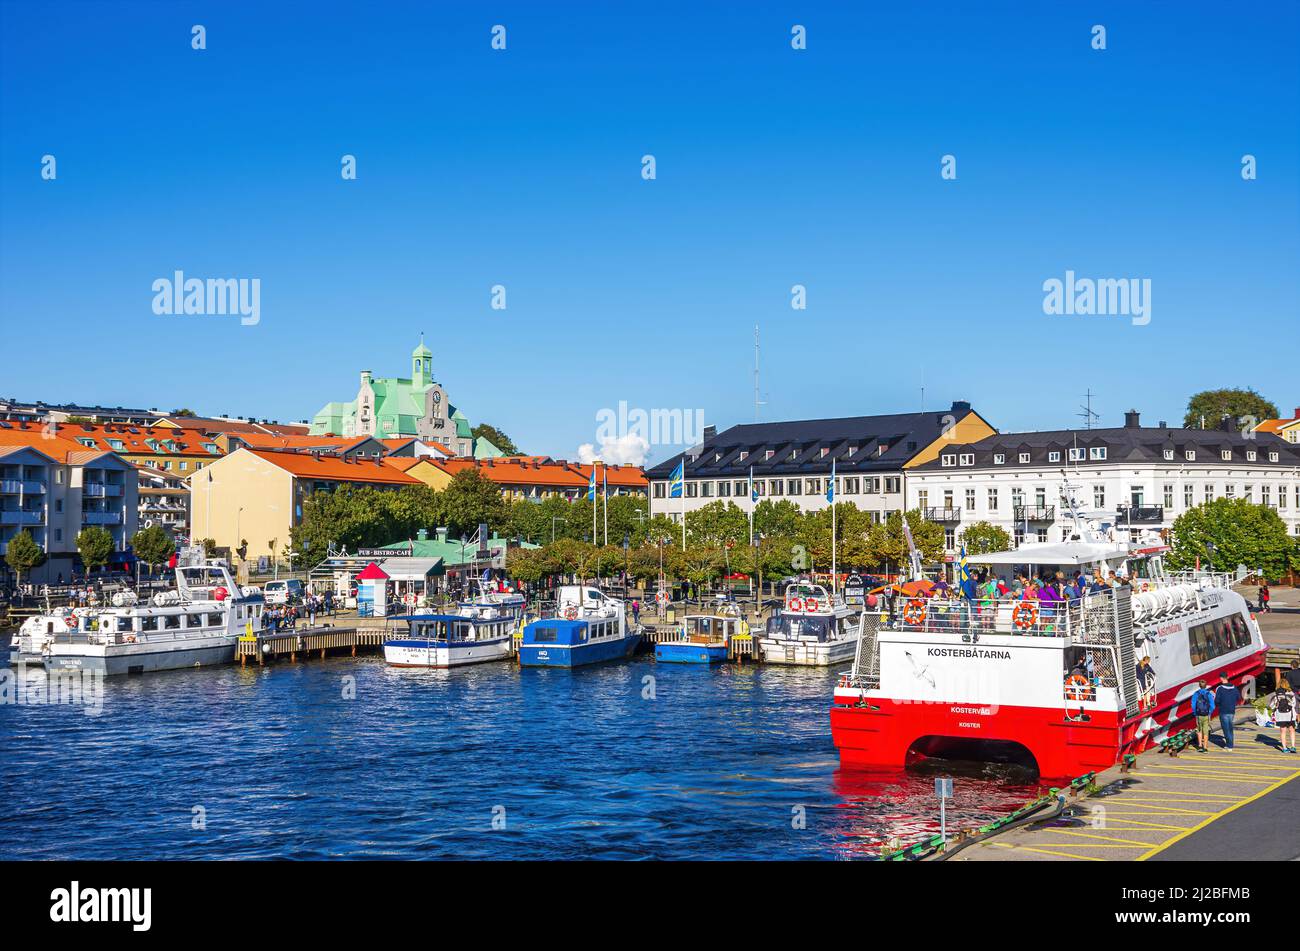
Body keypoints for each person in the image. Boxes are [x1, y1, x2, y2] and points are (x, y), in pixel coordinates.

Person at [1213, 674, 1242, 750]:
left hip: (1223, 710)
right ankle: (1229, 744)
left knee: (1226, 728)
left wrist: (1219, 705)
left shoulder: (1219, 688)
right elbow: (1239, 697)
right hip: (1232, 710)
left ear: (1221, 678)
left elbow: (1217, 700)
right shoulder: (1234, 687)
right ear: (1227, 678)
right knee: (1230, 728)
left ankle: (1229, 746)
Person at [1268, 685, 1296, 753]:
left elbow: (1271, 706)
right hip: (1290, 716)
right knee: (1292, 730)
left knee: (1283, 732)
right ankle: (1293, 747)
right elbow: (1293, 705)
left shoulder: (1275, 697)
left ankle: (1284, 748)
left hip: (1280, 717)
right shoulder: (1290, 696)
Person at [1191, 679, 1215, 752]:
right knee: (1206, 730)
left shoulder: (1196, 694)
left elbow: (1193, 705)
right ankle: (1205, 747)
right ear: (1206, 685)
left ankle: (1200, 746)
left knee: (1199, 730)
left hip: (1198, 715)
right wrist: (1209, 712)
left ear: (1199, 685)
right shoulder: (1209, 694)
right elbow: (1213, 706)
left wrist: (1195, 713)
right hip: (1206, 715)